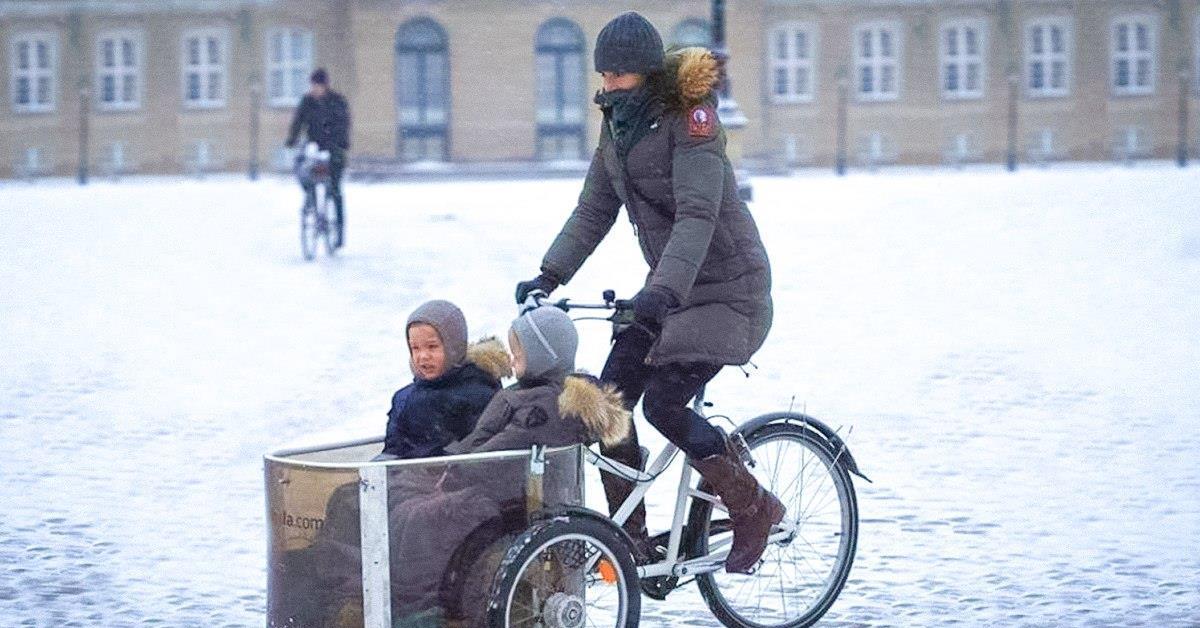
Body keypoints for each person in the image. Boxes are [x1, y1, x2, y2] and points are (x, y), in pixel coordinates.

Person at [514, 11, 781, 575]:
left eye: (618, 76)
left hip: (730, 293)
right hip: (672, 292)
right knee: (607, 404)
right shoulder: (618, 129)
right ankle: (630, 542)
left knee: (661, 404)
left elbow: (697, 215)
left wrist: (661, 290)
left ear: (646, 74)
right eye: (603, 75)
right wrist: (548, 275)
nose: (607, 86)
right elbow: (593, 210)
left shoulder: (693, 122)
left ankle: (755, 506)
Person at [375, 300, 510, 461]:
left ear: (453, 346)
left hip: (454, 481)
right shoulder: (403, 398)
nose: (423, 356)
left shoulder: (480, 394)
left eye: (432, 347)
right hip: (404, 478)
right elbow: (392, 450)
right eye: (415, 348)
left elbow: (476, 454)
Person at [286, 67, 351, 248]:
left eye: (318, 86)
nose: (315, 89)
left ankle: (338, 231)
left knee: (336, 189)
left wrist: (340, 143)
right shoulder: (307, 102)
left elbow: (343, 124)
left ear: (325, 86)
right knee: (303, 171)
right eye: (313, 85)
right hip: (314, 147)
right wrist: (292, 139)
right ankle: (310, 201)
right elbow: (298, 122)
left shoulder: (337, 102)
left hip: (334, 147)